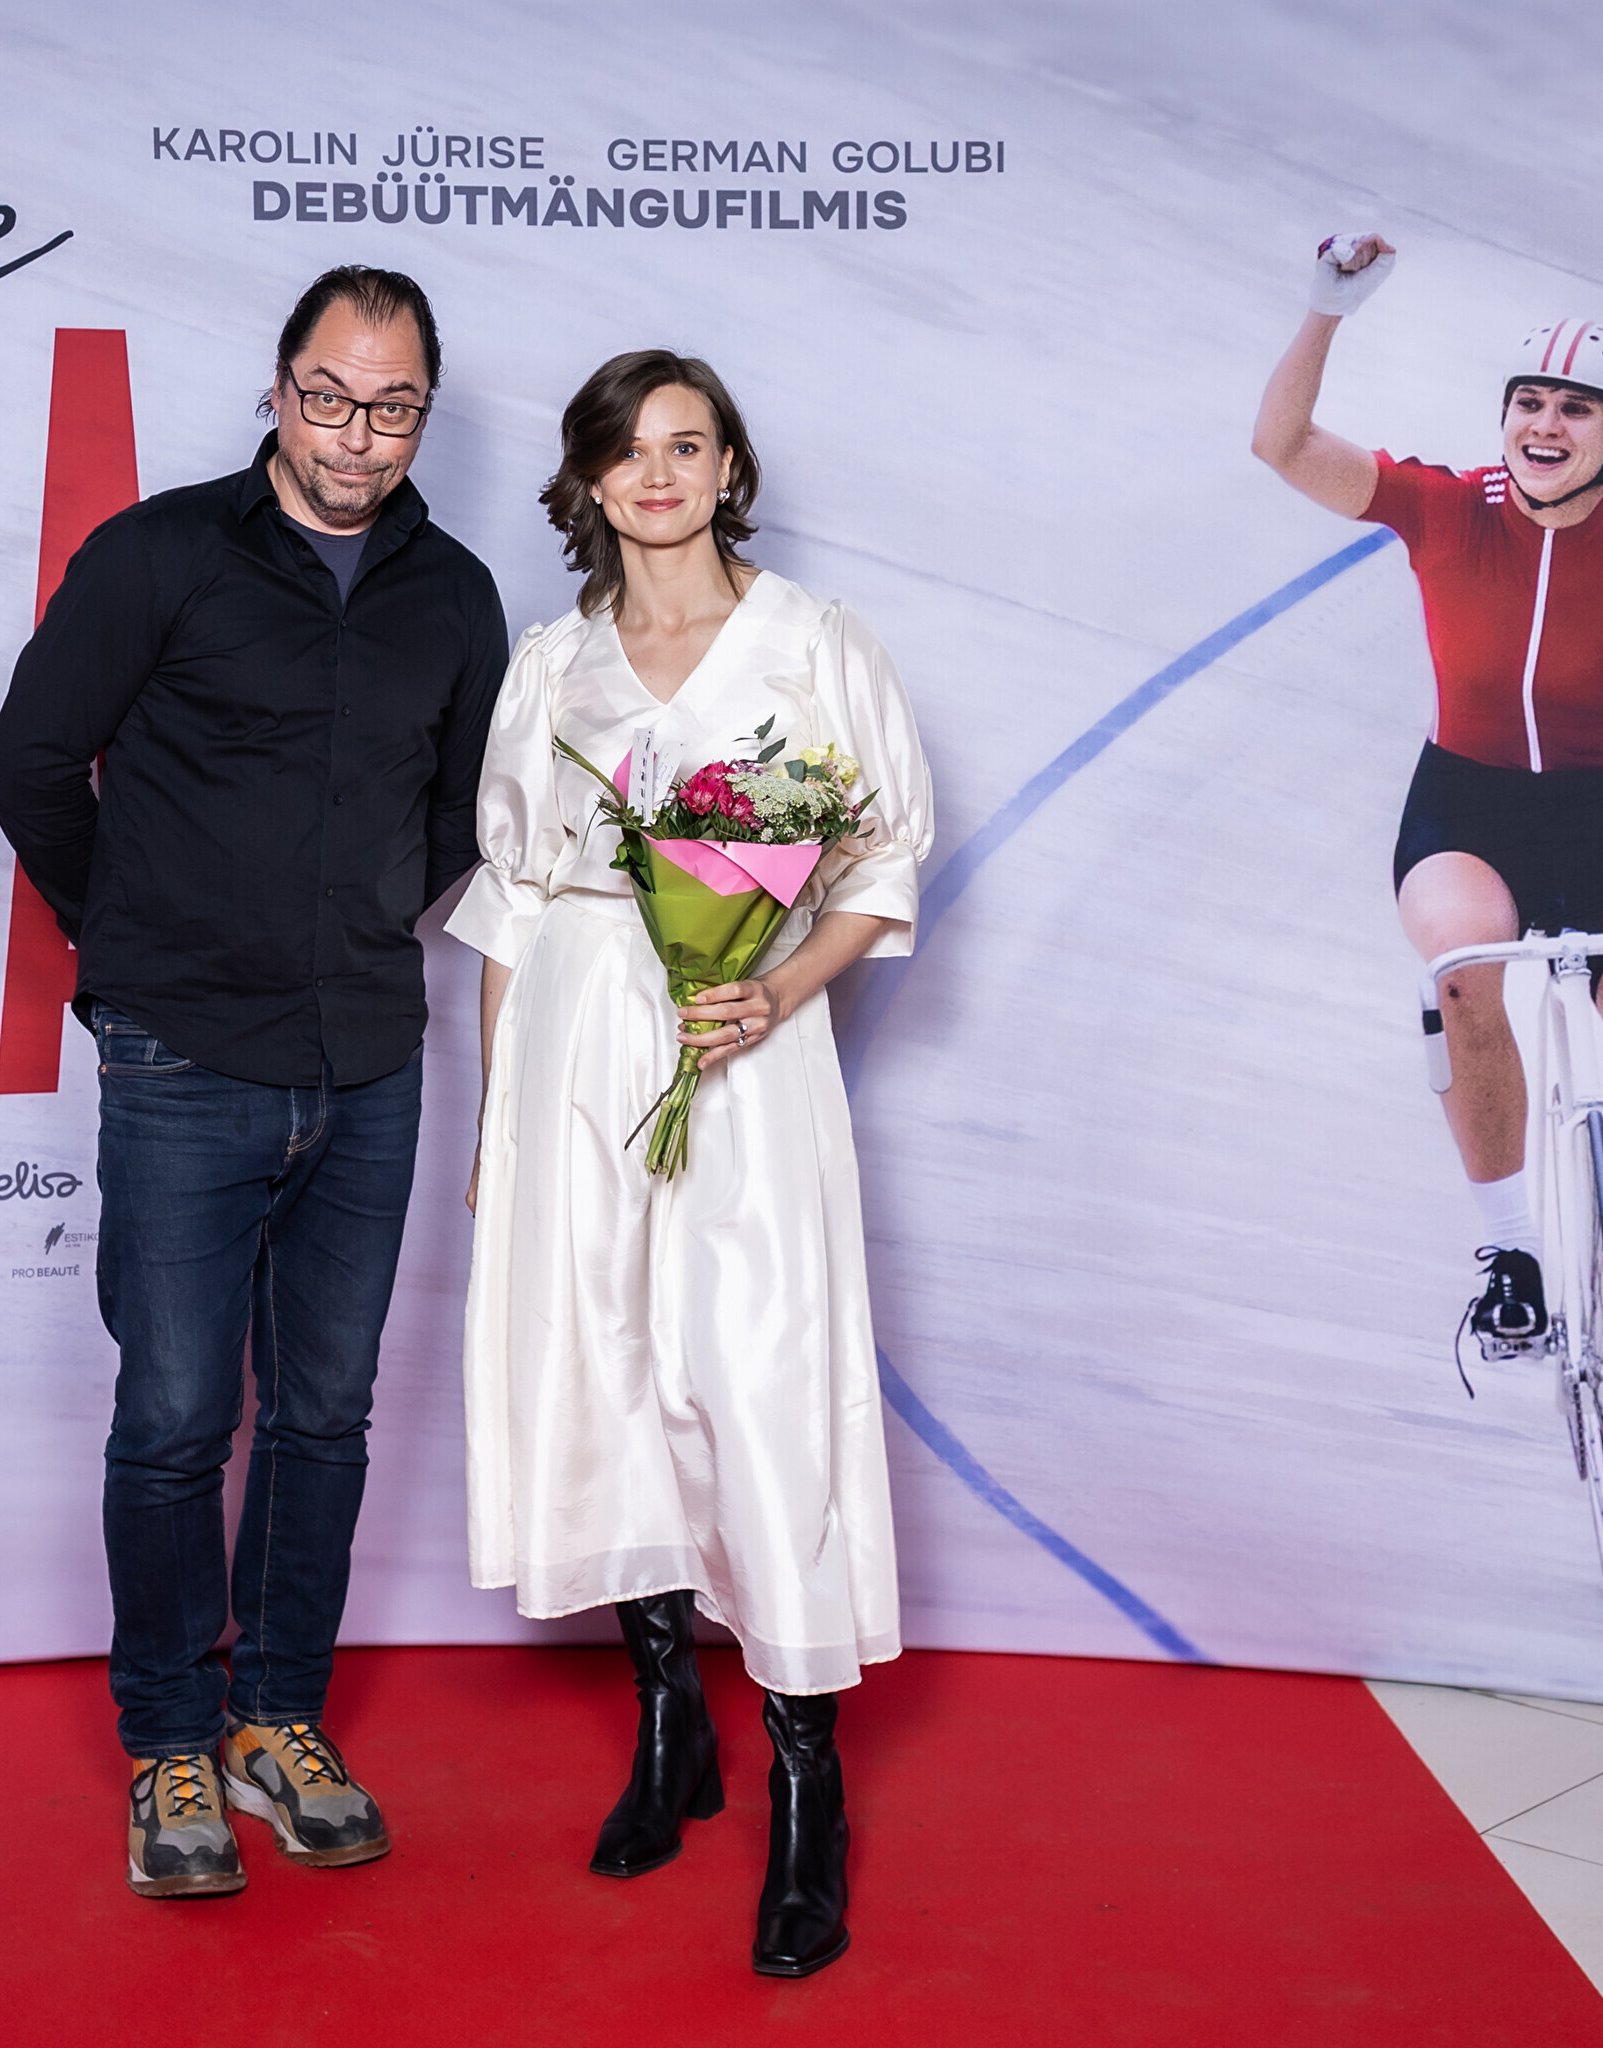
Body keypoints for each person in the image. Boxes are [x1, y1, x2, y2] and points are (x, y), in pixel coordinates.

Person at [0, 266, 508, 1899]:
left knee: (326, 1414)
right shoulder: (157, 554)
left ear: (424, 414)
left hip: (369, 1058)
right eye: (329, 398)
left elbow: (461, 811)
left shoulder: (455, 593)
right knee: (173, 1419)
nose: (357, 437)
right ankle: (169, 1742)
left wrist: (358, 918)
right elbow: (27, 763)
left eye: (392, 407)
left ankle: (281, 1717)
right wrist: (134, 938)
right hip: (181, 1056)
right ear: (278, 389)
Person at [449, 350, 933, 1976]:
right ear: (588, 480)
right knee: (599, 1362)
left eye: (686, 443)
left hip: (741, 1043)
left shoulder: (815, 642)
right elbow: (514, 898)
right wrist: (498, 1119)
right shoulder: (553, 660)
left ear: (729, 467)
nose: (656, 474)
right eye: (625, 449)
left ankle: (807, 1784)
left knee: (757, 1377)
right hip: (577, 1042)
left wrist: (780, 991)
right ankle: (670, 1722)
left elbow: (882, 858)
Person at [1250, 233, 1603, 1460]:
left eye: (1573, 408)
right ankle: (1512, 1257)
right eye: (1528, 401)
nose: (1544, 424)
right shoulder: (1447, 507)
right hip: (1469, 811)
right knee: (1464, 965)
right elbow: (1283, 446)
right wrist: (1324, 310)